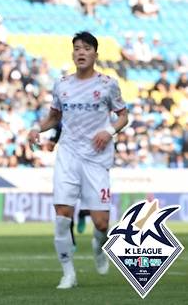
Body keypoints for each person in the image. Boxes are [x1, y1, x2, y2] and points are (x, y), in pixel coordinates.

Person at [27, 31, 129, 289]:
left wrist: (109, 131)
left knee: (102, 223)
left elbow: (123, 116)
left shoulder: (108, 84)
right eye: (76, 48)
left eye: (85, 48)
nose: (80, 52)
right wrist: (37, 129)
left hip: (97, 158)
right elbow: (54, 117)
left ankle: (99, 246)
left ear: (95, 54)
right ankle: (68, 273)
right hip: (68, 155)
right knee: (62, 214)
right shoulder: (62, 84)